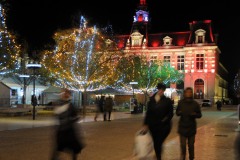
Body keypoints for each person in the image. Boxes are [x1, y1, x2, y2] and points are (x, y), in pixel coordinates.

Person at [141, 83, 174, 160]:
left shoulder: (167, 101)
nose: (161, 91)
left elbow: (170, 114)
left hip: (164, 126)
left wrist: (164, 120)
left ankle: (158, 156)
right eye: (159, 89)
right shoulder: (151, 101)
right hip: (153, 126)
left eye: (162, 90)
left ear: (164, 91)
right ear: (158, 89)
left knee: (158, 142)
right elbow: (148, 113)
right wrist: (145, 124)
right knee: (156, 142)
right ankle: (158, 155)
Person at [51, 88, 85, 160]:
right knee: (59, 147)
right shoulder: (60, 104)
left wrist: (71, 120)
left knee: (73, 147)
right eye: (63, 93)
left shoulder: (70, 105)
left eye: (66, 94)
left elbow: (76, 116)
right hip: (62, 130)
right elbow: (57, 116)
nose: (64, 95)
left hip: (69, 130)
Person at [175, 87, 202, 160]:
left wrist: (194, 114)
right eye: (187, 92)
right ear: (185, 93)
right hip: (182, 128)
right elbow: (177, 112)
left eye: (190, 92)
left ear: (192, 93)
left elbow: (199, 115)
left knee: (191, 145)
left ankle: (191, 158)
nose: (188, 93)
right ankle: (183, 157)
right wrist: (179, 113)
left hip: (191, 128)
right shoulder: (180, 103)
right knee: (183, 145)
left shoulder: (195, 104)